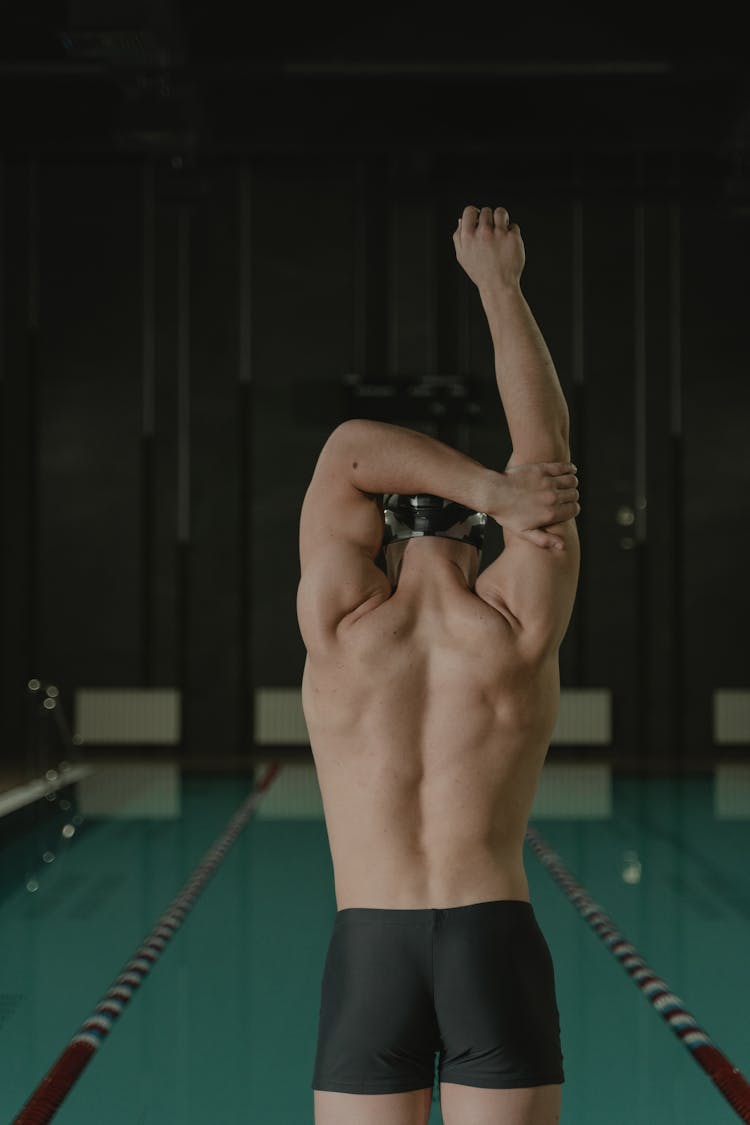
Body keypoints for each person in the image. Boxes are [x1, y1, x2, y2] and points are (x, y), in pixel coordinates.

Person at [297, 204, 580, 1125]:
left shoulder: (341, 631)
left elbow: (348, 450)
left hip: (368, 950)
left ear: (379, 530)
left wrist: (489, 488)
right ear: (486, 529)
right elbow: (549, 463)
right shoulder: (512, 630)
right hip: (491, 937)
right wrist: (502, 286)